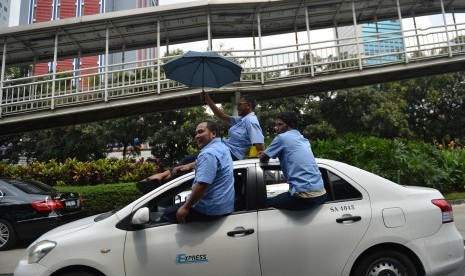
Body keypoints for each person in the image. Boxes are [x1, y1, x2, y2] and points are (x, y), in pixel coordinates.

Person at [137, 91, 265, 193]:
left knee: (192, 162)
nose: (237, 106)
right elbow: (222, 116)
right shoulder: (242, 120)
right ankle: (162, 177)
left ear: (248, 105)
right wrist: (208, 99)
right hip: (223, 149)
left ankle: (162, 180)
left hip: (231, 154)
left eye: (240, 103)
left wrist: (261, 154)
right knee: (189, 159)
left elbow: (259, 143)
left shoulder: (251, 121)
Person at [161, 120, 235, 223]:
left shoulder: (208, 154)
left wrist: (185, 208)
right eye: (196, 133)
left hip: (209, 209)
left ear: (213, 133)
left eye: (200, 132)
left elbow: (202, 186)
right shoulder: (222, 148)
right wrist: (188, 166)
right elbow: (212, 164)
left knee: (167, 214)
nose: (197, 136)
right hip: (224, 207)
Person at [258, 111, 326, 210]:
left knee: (264, 205)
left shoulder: (282, 138)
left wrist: (263, 153)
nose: (276, 128)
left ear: (291, 125)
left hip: (303, 196)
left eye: (280, 125)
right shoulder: (302, 139)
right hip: (321, 194)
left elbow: (263, 159)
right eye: (276, 125)